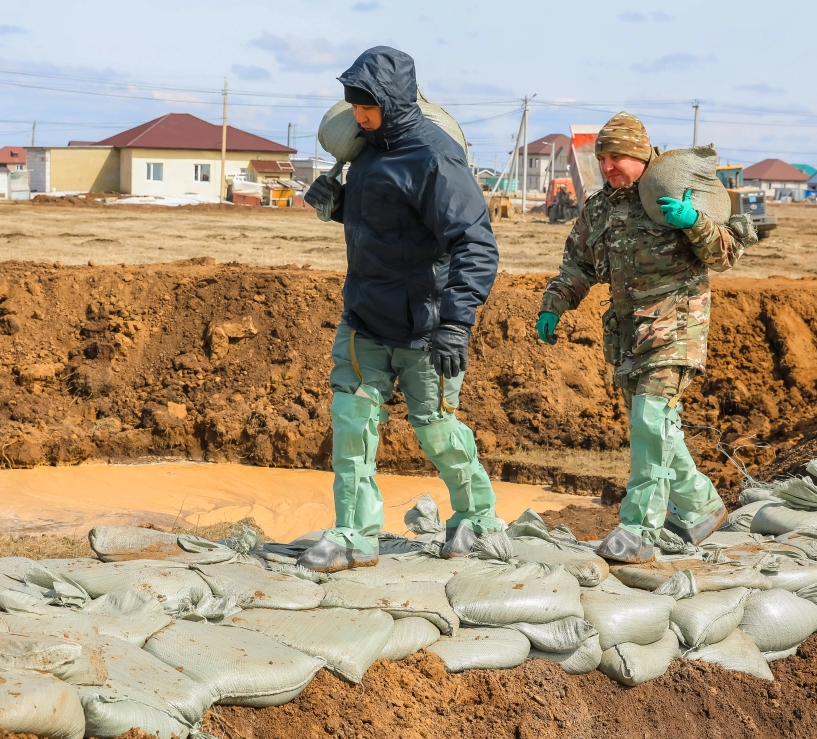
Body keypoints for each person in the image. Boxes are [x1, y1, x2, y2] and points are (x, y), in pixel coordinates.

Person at [299, 45, 504, 573]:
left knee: (436, 431)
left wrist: (457, 323)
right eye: (353, 107)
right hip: (366, 316)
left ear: (391, 100)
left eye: (366, 106)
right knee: (351, 423)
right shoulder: (364, 152)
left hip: (426, 325)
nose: (358, 117)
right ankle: (354, 534)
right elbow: (383, 223)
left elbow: (475, 244)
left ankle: (475, 516)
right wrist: (335, 204)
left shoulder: (434, 158)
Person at [535, 111, 757, 564]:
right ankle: (701, 508)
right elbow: (578, 266)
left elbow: (725, 254)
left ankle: (638, 530)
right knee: (659, 429)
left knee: (650, 422)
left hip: (676, 327)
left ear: (640, 156)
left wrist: (693, 220)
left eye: (617, 157)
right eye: (602, 158)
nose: (609, 166)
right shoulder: (599, 207)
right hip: (626, 334)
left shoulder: (672, 191)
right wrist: (553, 304)